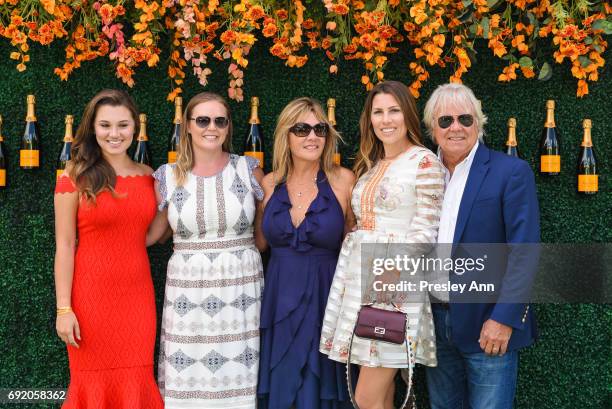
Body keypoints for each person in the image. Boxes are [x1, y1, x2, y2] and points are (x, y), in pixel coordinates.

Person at [320, 81, 446, 409]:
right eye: (378, 112)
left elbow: (425, 233)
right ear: (370, 119)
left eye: (394, 111)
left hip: (395, 290)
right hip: (361, 286)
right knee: (382, 396)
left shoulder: (424, 162)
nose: (386, 119)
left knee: (365, 397)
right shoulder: (373, 165)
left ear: (408, 116)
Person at [422, 83, 540, 409]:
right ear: (433, 128)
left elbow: (525, 252)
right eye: (445, 121)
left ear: (479, 123)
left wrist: (504, 318)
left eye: (465, 119)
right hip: (433, 324)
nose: (455, 127)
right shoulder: (422, 174)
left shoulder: (510, 172)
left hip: (488, 325)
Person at [54, 89, 165, 408]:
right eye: (105, 125)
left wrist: (173, 204)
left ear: (135, 128)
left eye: (122, 125)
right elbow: (64, 245)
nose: (114, 134)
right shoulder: (73, 176)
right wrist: (64, 308)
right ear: (92, 129)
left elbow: (149, 236)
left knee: (136, 379)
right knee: (90, 380)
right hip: (90, 303)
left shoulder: (149, 177)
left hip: (137, 302)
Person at [153, 92, 264, 408]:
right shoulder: (168, 176)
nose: (211, 127)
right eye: (202, 120)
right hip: (188, 295)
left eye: (220, 120)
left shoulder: (248, 169)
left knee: (241, 380)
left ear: (228, 127)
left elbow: (263, 237)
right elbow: (154, 234)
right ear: (187, 125)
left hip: (241, 290)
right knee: (187, 380)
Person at [256, 97, 355, 409]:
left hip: (327, 298)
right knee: (283, 383)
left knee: (322, 385)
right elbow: (259, 243)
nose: (312, 136)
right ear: (286, 134)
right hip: (278, 300)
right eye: (302, 129)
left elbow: (353, 244)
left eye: (319, 129)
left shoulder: (344, 181)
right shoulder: (269, 183)